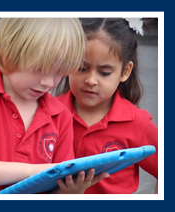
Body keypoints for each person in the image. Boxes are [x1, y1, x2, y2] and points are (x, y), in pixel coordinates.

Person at [0, 18, 109, 194]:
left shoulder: (61, 117)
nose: (47, 82)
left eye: (59, 72)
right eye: (38, 68)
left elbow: (54, 190)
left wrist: (71, 191)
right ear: (7, 52)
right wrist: (32, 171)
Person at [55, 18, 158, 194]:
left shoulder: (138, 124)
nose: (90, 80)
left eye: (104, 73)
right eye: (81, 68)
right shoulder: (50, 112)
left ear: (125, 72)